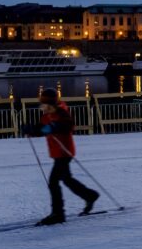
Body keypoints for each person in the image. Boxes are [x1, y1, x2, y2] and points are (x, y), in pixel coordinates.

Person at [23, 89, 99, 226]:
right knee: (67, 179)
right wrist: (31, 130)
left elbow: (68, 125)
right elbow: (42, 128)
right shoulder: (47, 115)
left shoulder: (61, 112)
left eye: (43, 103)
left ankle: (58, 214)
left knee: (53, 182)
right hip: (57, 152)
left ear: (50, 103)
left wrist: (54, 127)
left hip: (64, 152)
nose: (41, 106)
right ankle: (90, 195)